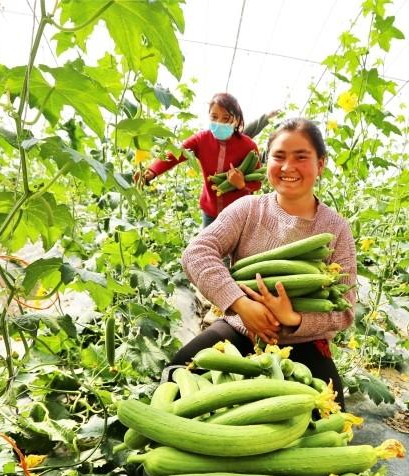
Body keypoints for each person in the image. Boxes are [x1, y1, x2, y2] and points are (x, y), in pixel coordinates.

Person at [171, 118, 356, 407]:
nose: (287, 167)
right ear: (265, 161)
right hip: (240, 327)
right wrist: (242, 304)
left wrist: (293, 319)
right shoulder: (248, 209)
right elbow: (196, 252)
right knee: (176, 374)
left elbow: (344, 310)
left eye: (301, 157)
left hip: (302, 342)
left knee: (330, 411)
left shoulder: (336, 228)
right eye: (278, 157)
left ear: (321, 164)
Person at [140, 93, 262, 228]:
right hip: (210, 213)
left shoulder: (249, 147)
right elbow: (175, 154)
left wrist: (241, 184)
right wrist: (152, 171)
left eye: (226, 118)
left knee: (235, 249)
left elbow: (257, 183)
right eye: (214, 117)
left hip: (238, 214)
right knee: (207, 248)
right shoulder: (201, 140)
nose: (219, 122)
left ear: (237, 121)